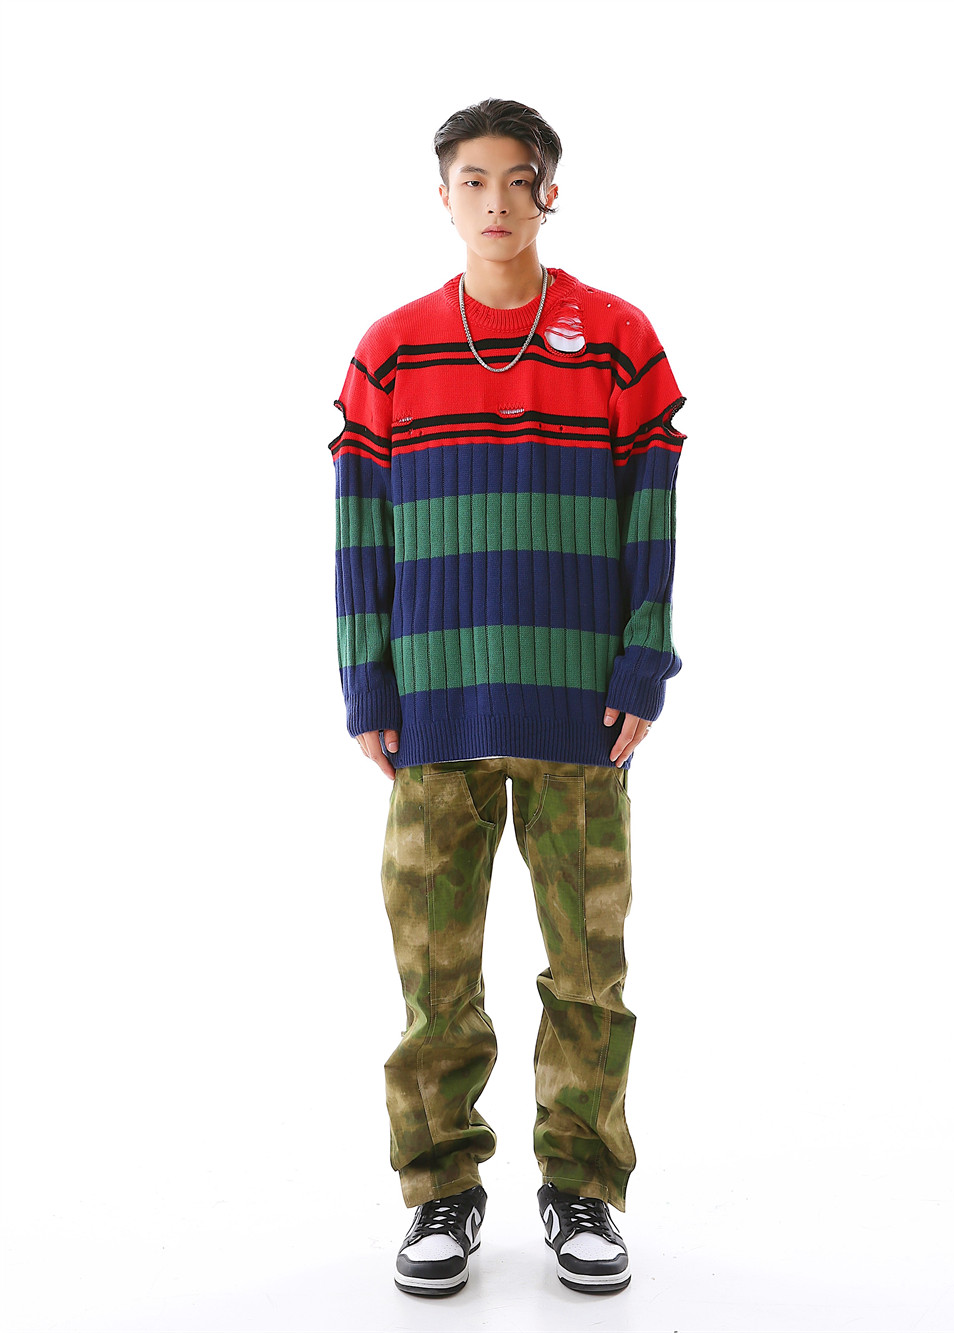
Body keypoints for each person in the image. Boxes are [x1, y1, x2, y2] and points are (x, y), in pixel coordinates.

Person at [327, 98, 687, 1298]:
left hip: (581, 710)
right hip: (433, 707)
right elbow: (358, 526)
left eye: (516, 178)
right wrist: (365, 679)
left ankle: (583, 1187)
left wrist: (643, 662)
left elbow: (653, 516)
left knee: (588, 971)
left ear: (549, 191)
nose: (494, 200)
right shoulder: (390, 351)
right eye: (471, 180)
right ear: (443, 197)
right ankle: (441, 1189)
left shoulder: (620, 339)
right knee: (434, 976)